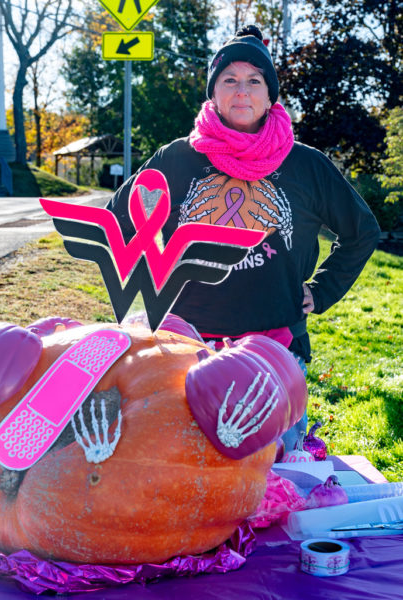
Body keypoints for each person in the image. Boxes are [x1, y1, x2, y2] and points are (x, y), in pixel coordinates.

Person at [107, 25, 381, 450]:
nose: (242, 92)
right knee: (182, 474)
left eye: (255, 81)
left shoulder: (305, 165)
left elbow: (362, 232)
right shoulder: (178, 159)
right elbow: (119, 224)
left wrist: (323, 290)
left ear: (270, 96)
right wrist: (151, 266)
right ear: (212, 93)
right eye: (229, 80)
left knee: (273, 477)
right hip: (185, 351)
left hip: (276, 352)